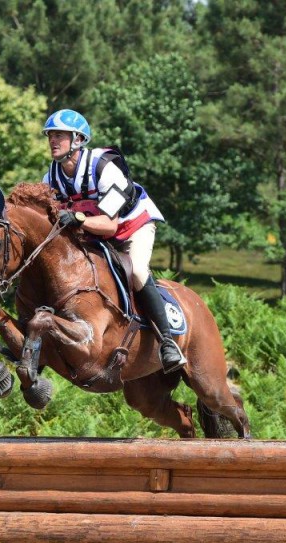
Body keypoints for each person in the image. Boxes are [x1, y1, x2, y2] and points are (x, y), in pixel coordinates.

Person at [41, 108, 187, 373]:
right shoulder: (50, 178)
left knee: (139, 272)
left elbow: (109, 226)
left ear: (77, 140)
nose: (52, 141)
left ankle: (168, 342)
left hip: (132, 227)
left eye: (59, 135)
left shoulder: (104, 168)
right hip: (92, 231)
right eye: (50, 136)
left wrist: (79, 219)